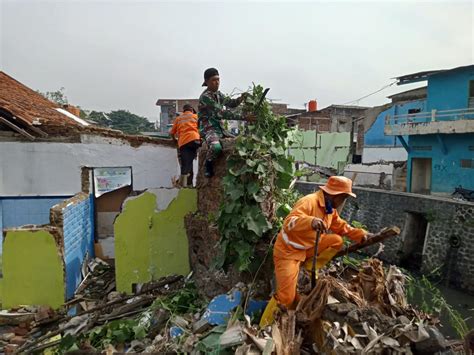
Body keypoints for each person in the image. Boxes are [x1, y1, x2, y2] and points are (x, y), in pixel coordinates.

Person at [260, 176, 372, 327]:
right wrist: (310, 222)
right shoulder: (309, 201)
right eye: (344, 197)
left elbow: (341, 226)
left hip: (307, 249)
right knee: (286, 298)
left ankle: (307, 267)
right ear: (335, 195)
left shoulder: (329, 209)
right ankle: (264, 327)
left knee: (336, 241)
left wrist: (360, 234)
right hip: (288, 252)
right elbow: (289, 222)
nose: (343, 201)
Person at [198, 67, 254, 177]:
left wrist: (241, 98)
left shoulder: (219, 95)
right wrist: (244, 117)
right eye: (213, 80)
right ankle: (208, 164)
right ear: (206, 82)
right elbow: (222, 113)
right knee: (216, 148)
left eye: (218, 79)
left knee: (238, 143)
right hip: (208, 128)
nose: (217, 82)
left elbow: (231, 103)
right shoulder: (205, 97)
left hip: (220, 128)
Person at [169, 104, 201, 187]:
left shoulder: (179, 118)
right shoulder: (196, 116)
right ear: (191, 110)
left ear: (183, 111)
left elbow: (172, 133)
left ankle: (184, 185)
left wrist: (174, 140)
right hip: (195, 140)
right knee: (190, 162)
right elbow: (201, 129)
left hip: (184, 142)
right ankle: (189, 184)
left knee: (185, 164)